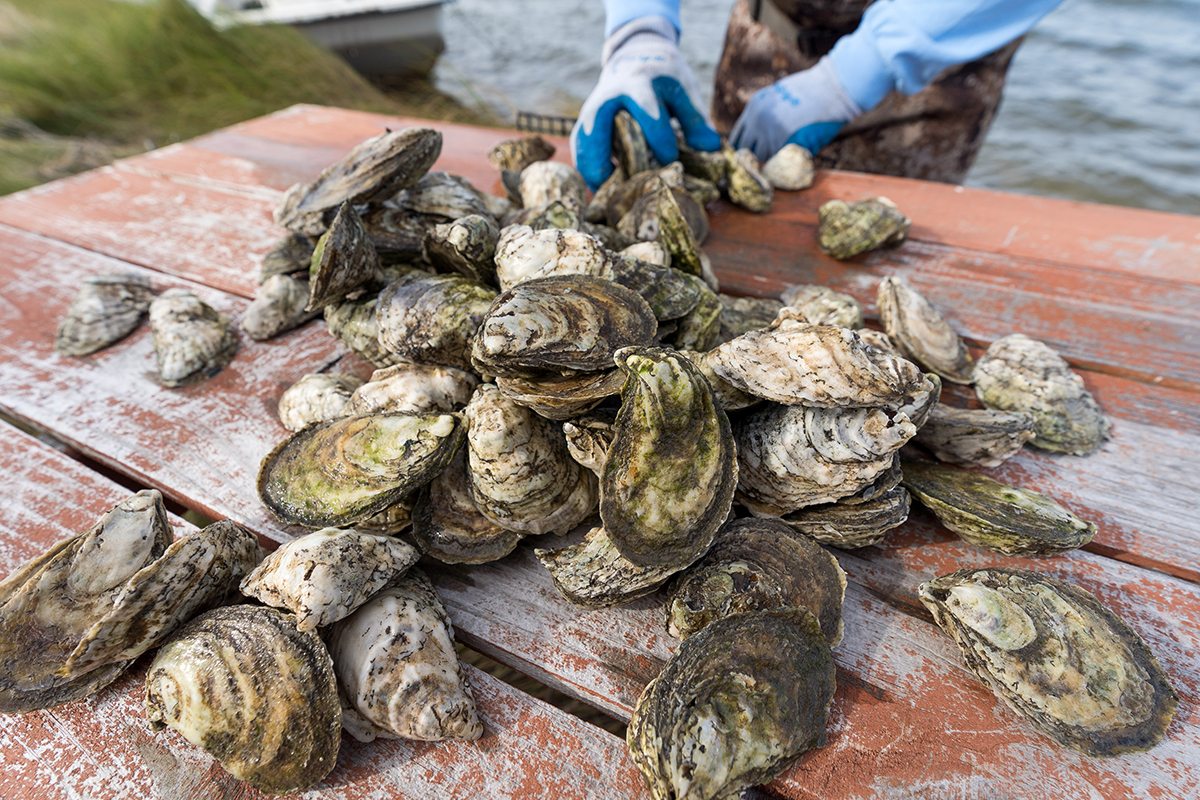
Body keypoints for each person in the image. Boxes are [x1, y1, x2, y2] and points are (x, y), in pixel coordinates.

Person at [571, 0, 1067, 190]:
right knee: (728, 201)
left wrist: (857, 72)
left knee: (883, 261)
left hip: (942, 61)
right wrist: (640, 33)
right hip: (771, 33)